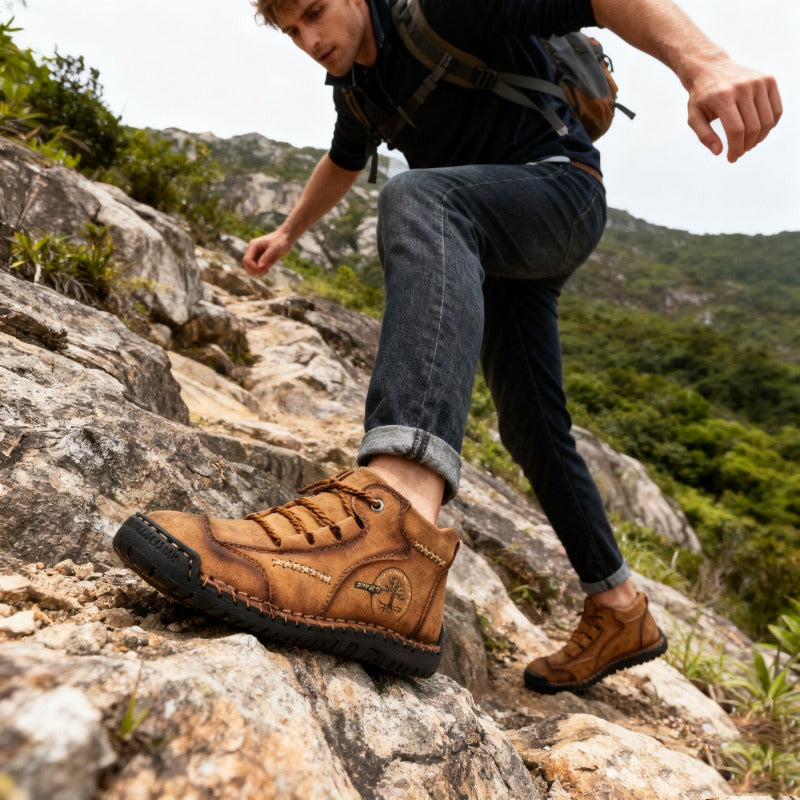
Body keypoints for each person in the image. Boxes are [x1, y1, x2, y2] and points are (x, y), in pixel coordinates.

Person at [113, 0, 781, 690]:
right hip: (491, 235)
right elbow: (343, 161)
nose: (310, 39)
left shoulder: (445, 10)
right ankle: (619, 607)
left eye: (315, 12)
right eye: (292, 31)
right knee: (530, 423)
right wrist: (286, 234)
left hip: (558, 191)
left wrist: (703, 61)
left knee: (419, 197)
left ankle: (394, 522)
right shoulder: (359, 89)